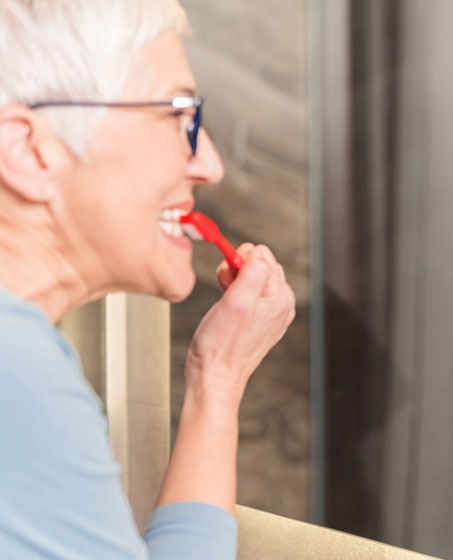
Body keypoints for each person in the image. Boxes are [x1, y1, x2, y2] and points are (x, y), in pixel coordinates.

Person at [0, 0, 295, 558]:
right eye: (178, 117)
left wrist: (218, 378)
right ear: (29, 151)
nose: (210, 164)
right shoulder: (17, 373)